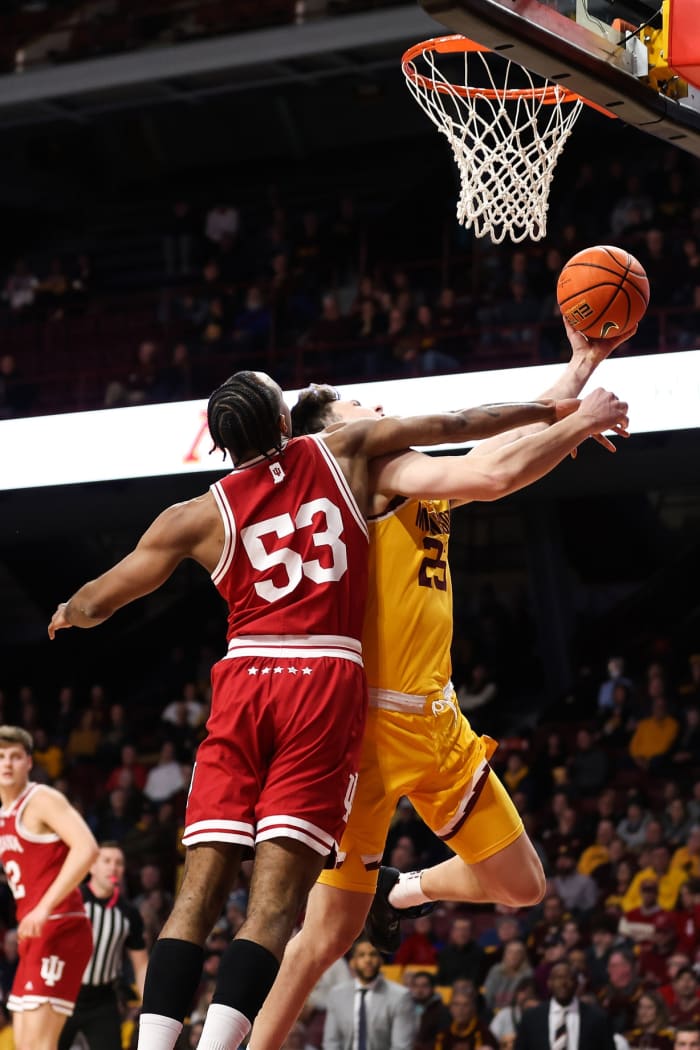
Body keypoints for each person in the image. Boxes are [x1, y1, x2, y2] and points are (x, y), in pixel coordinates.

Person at [48, 369, 572, 1050]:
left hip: (245, 677)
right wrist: (555, 409)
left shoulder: (199, 512)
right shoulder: (343, 455)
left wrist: (69, 612)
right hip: (323, 681)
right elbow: (462, 428)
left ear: (220, 445)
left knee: (198, 892)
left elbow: (99, 601)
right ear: (287, 424)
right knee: (277, 907)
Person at [251, 323, 632, 1049]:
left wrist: (579, 370)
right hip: (366, 732)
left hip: (439, 720)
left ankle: (403, 891)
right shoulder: (361, 475)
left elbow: (491, 455)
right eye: (357, 402)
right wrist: (578, 425)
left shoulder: (413, 473)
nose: (374, 403)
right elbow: (497, 476)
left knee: (523, 887)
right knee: (323, 937)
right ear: (332, 435)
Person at [0, 725, 98, 1050]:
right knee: (24, 1044)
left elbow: (87, 849)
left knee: (40, 1046)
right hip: (33, 934)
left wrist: (43, 906)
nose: (7, 764)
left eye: (15, 756)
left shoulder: (42, 799)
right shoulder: (4, 814)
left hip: (60, 925)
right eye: (1, 757)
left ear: (29, 762)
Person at [58, 842, 148, 1050]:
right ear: (92, 867)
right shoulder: (72, 900)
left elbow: (141, 964)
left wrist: (147, 1004)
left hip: (103, 1000)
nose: (113, 867)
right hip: (64, 994)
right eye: (106, 861)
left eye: (118, 863)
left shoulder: (129, 913)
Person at [321, 936, 415, 1050]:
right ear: (352, 963)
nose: (368, 960)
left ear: (381, 960)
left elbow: (401, 1046)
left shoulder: (400, 996)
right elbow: (331, 1042)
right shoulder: (337, 995)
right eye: (361, 955)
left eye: (373, 954)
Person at [515, 959, 616, 1050]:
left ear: (576, 983)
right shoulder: (531, 1018)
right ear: (549, 983)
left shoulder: (597, 1018)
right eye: (558, 978)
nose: (563, 983)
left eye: (569, 978)